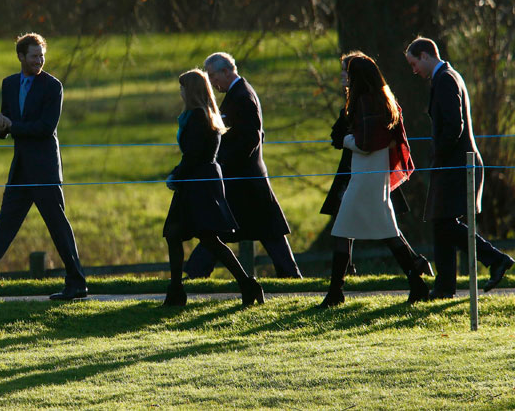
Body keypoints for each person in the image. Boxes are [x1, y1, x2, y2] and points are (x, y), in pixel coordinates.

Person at [0, 33, 88, 300]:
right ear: (20, 56)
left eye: (41, 55)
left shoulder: (53, 86)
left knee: (58, 226)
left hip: (44, 169)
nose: (39, 61)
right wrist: (1, 127)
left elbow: (46, 128)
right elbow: (7, 126)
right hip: (21, 168)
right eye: (34, 56)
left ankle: (77, 282)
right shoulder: (9, 84)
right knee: (4, 227)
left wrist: (13, 126)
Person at [405, 37, 514, 299]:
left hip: (456, 164)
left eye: (413, 63)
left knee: (444, 223)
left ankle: (495, 259)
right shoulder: (449, 76)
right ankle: (445, 287)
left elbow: (455, 125)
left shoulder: (445, 80)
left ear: (424, 55)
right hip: (454, 163)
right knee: (441, 223)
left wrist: (437, 153)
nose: (414, 70)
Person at [319, 52, 428, 308]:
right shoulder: (381, 99)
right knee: (377, 231)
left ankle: (337, 293)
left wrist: (345, 141)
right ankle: (416, 283)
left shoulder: (366, 102)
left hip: (365, 176)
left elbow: (365, 144)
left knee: (348, 231)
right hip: (372, 174)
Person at [183, 52, 302, 279]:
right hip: (244, 179)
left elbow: (252, 138)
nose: (211, 82)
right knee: (261, 230)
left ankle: (195, 275)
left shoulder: (242, 96)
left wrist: (224, 162)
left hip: (244, 179)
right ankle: (290, 275)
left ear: (226, 71)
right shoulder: (238, 93)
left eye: (212, 76)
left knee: (230, 228)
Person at [163, 69, 264, 307]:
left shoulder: (199, 117)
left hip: (198, 186)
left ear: (192, 91)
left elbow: (195, 155)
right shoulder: (200, 115)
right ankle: (176, 290)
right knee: (176, 234)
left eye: (183, 87)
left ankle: (247, 284)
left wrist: (175, 175)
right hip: (195, 183)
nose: (180, 91)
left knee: (208, 239)